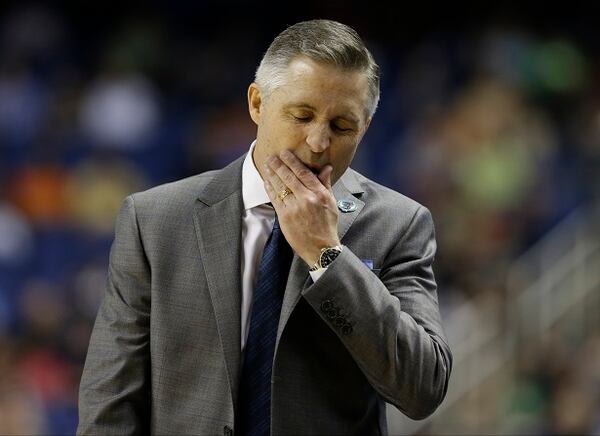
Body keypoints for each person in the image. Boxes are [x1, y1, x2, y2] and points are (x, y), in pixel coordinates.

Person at [77, 19, 452, 435]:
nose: (317, 142)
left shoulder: (400, 224)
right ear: (257, 103)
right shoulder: (155, 219)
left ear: (364, 128)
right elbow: (110, 401)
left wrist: (327, 256)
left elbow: (423, 389)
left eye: (342, 126)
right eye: (302, 115)